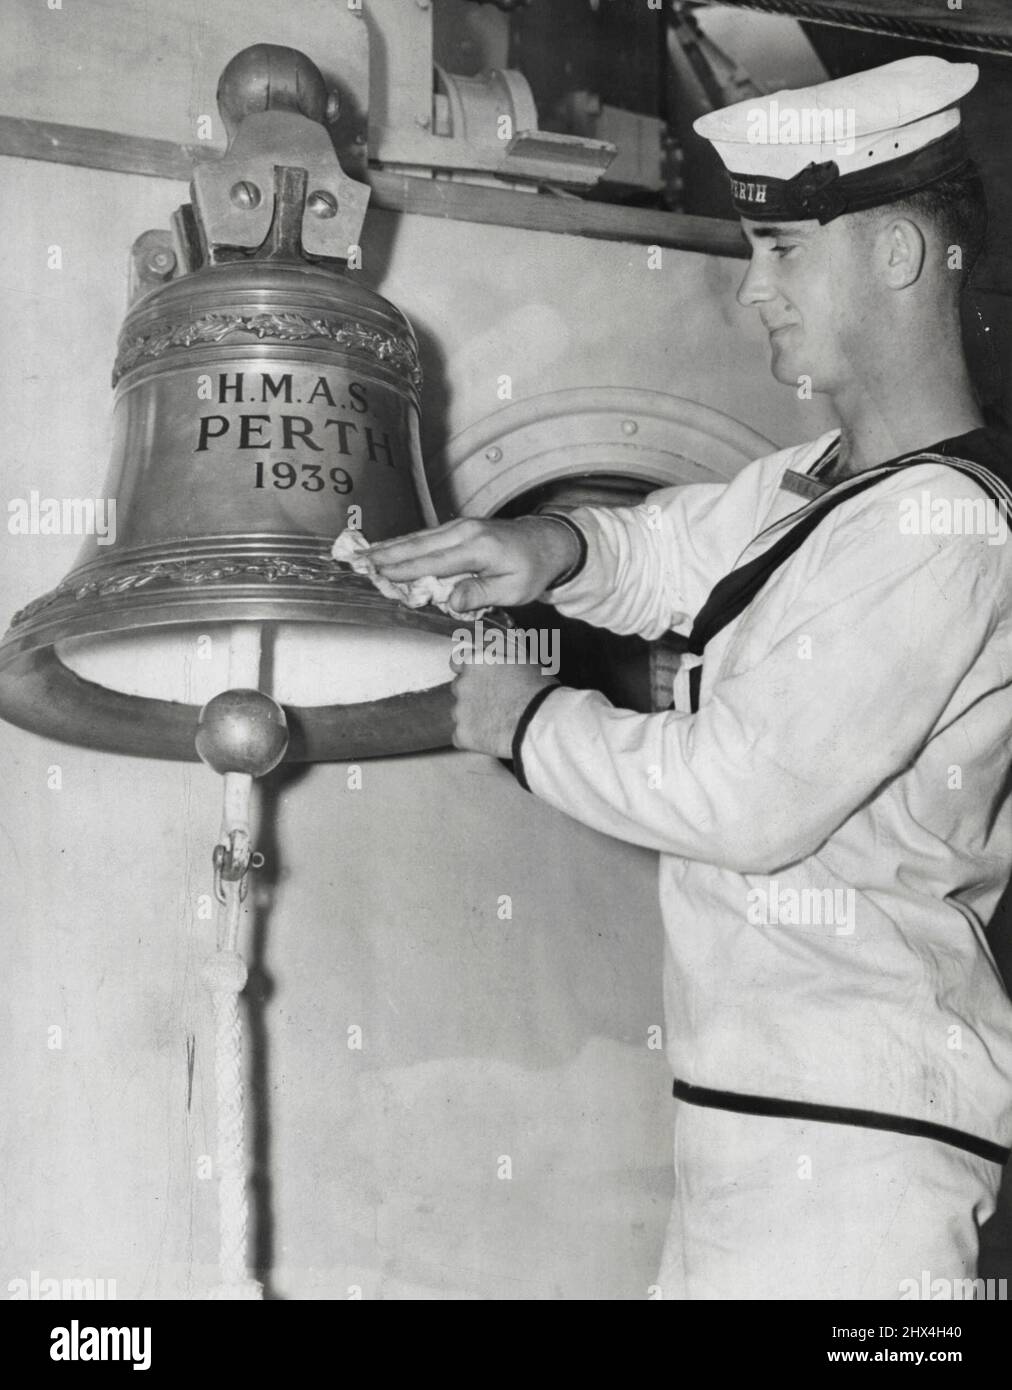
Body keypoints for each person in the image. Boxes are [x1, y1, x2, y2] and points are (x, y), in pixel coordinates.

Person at [366, 55, 1012, 1300]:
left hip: (859, 1155)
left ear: (893, 254)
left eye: (782, 250)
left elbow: (742, 798)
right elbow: (665, 547)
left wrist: (526, 724)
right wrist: (546, 545)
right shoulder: (815, 484)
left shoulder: (946, 528)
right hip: (753, 1119)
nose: (751, 292)